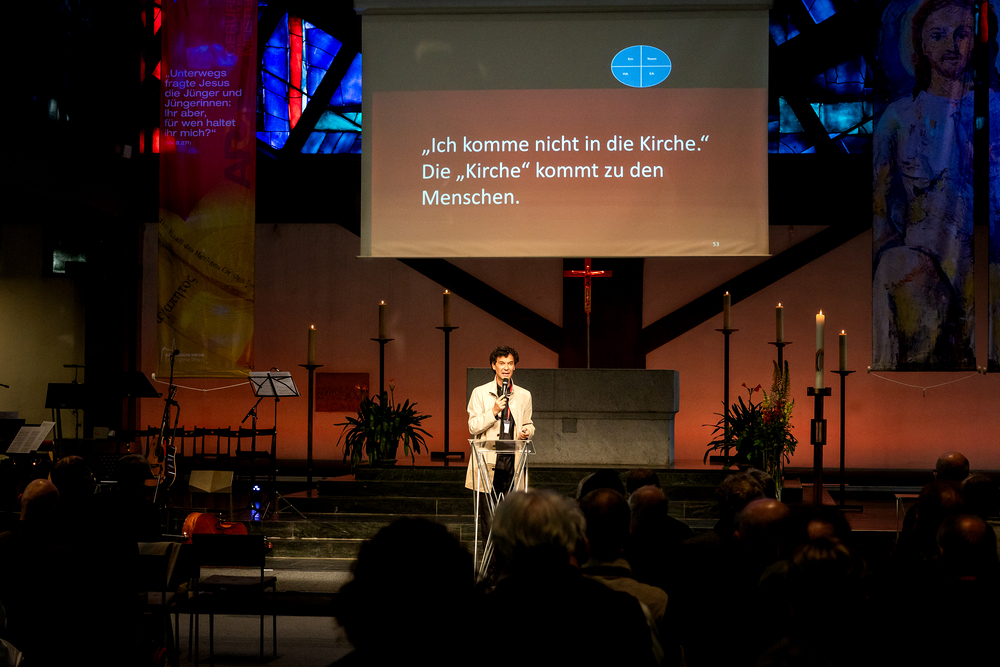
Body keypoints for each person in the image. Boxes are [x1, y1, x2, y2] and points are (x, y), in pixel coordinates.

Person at [873, 0, 983, 369]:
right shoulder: (899, 117)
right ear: (920, 44)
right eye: (938, 35)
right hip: (922, 259)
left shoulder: (994, 110)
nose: (952, 44)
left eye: (962, 33)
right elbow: (880, 204)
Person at [465, 345, 534, 498]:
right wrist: (493, 411)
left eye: (510, 363)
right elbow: (473, 427)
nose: (506, 368)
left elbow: (528, 423)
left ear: (514, 366)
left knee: (511, 510)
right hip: (487, 460)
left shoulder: (524, 395)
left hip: (513, 460)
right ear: (493, 365)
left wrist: (528, 431)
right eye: (501, 363)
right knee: (488, 510)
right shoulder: (479, 393)